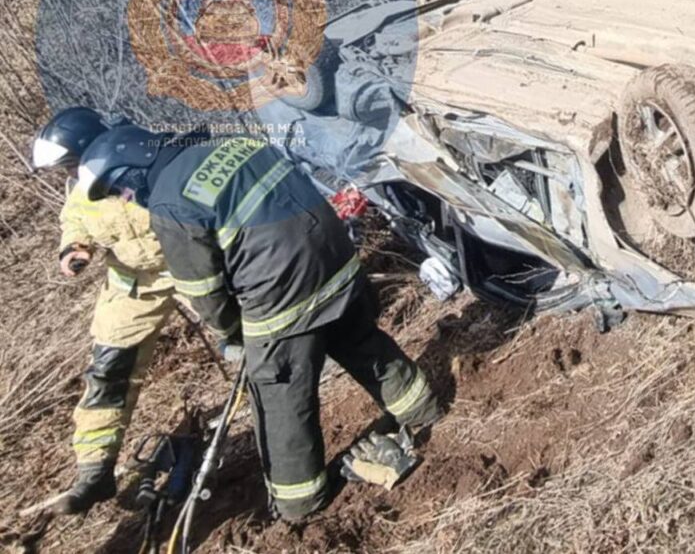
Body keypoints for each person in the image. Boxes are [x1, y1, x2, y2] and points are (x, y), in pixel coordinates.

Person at [77, 123, 440, 521]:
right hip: (334, 256)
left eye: (121, 189)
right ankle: (422, 410)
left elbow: (205, 291)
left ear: (133, 167)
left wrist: (234, 336)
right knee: (358, 339)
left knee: (278, 396)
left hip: (281, 293)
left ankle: (300, 501)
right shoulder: (227, 142)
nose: (127, 198)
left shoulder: (168, 201)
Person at [31, 108, 186, 515]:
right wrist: (74, 249)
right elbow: (75, 220)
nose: (67, 172)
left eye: (68, 163)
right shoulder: (79, 186)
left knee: (248, 337)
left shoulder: (143, 154)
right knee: (108, 373)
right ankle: (95, 472)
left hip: (189, 263)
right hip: (134, 283)